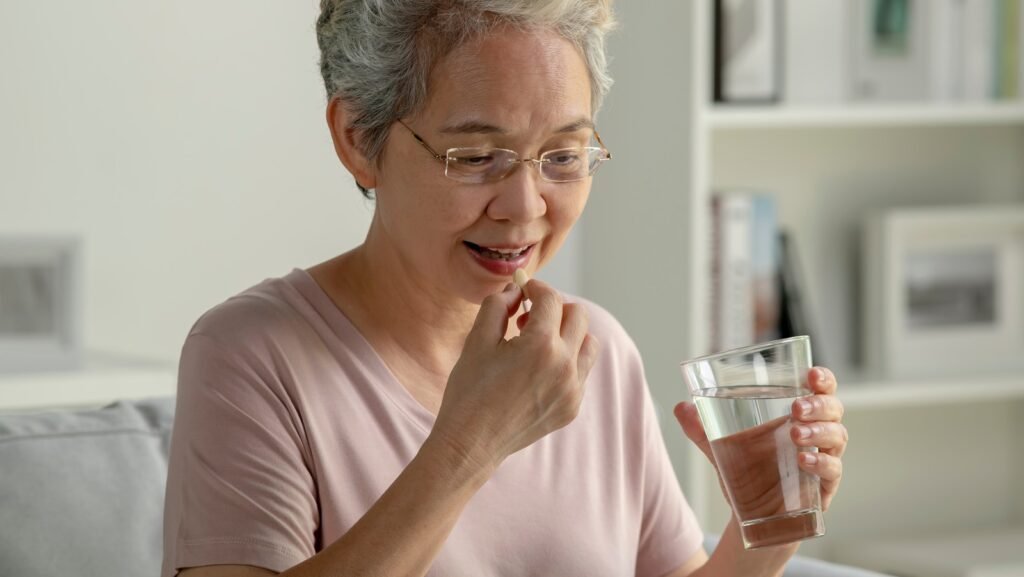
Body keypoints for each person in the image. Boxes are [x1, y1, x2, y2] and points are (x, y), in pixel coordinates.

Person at [161, 1, 849, 576]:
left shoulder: (594, 350)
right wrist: (470, 442)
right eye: (476, 156)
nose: (525, 207)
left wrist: (767, 526)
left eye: (563, 156)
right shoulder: (251, 355)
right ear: (357, 138)